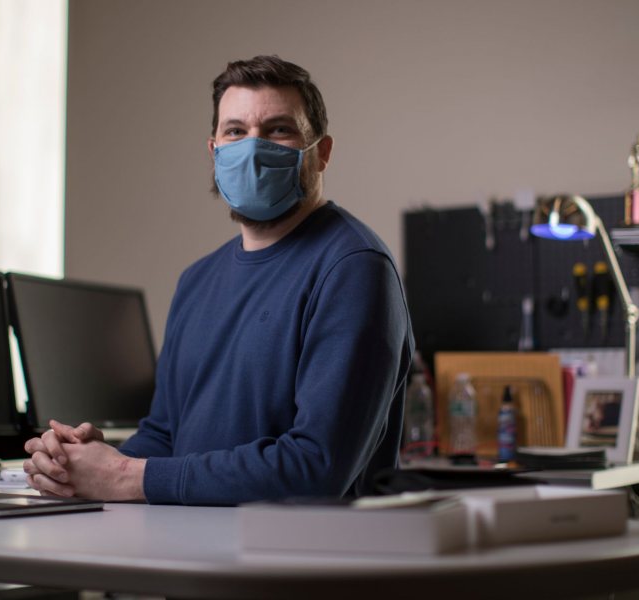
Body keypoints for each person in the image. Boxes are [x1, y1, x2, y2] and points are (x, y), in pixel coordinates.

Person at [23, 55, 415, 506]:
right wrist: (84, 464)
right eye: (235, 132)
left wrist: (125, 476)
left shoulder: (352, 268)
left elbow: (316, 467)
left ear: (321, 152)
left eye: (278, 130)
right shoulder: (196, 281)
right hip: (183, 553)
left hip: (295, 565)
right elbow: (166, 436)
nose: (252, 148)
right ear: (214, 151)